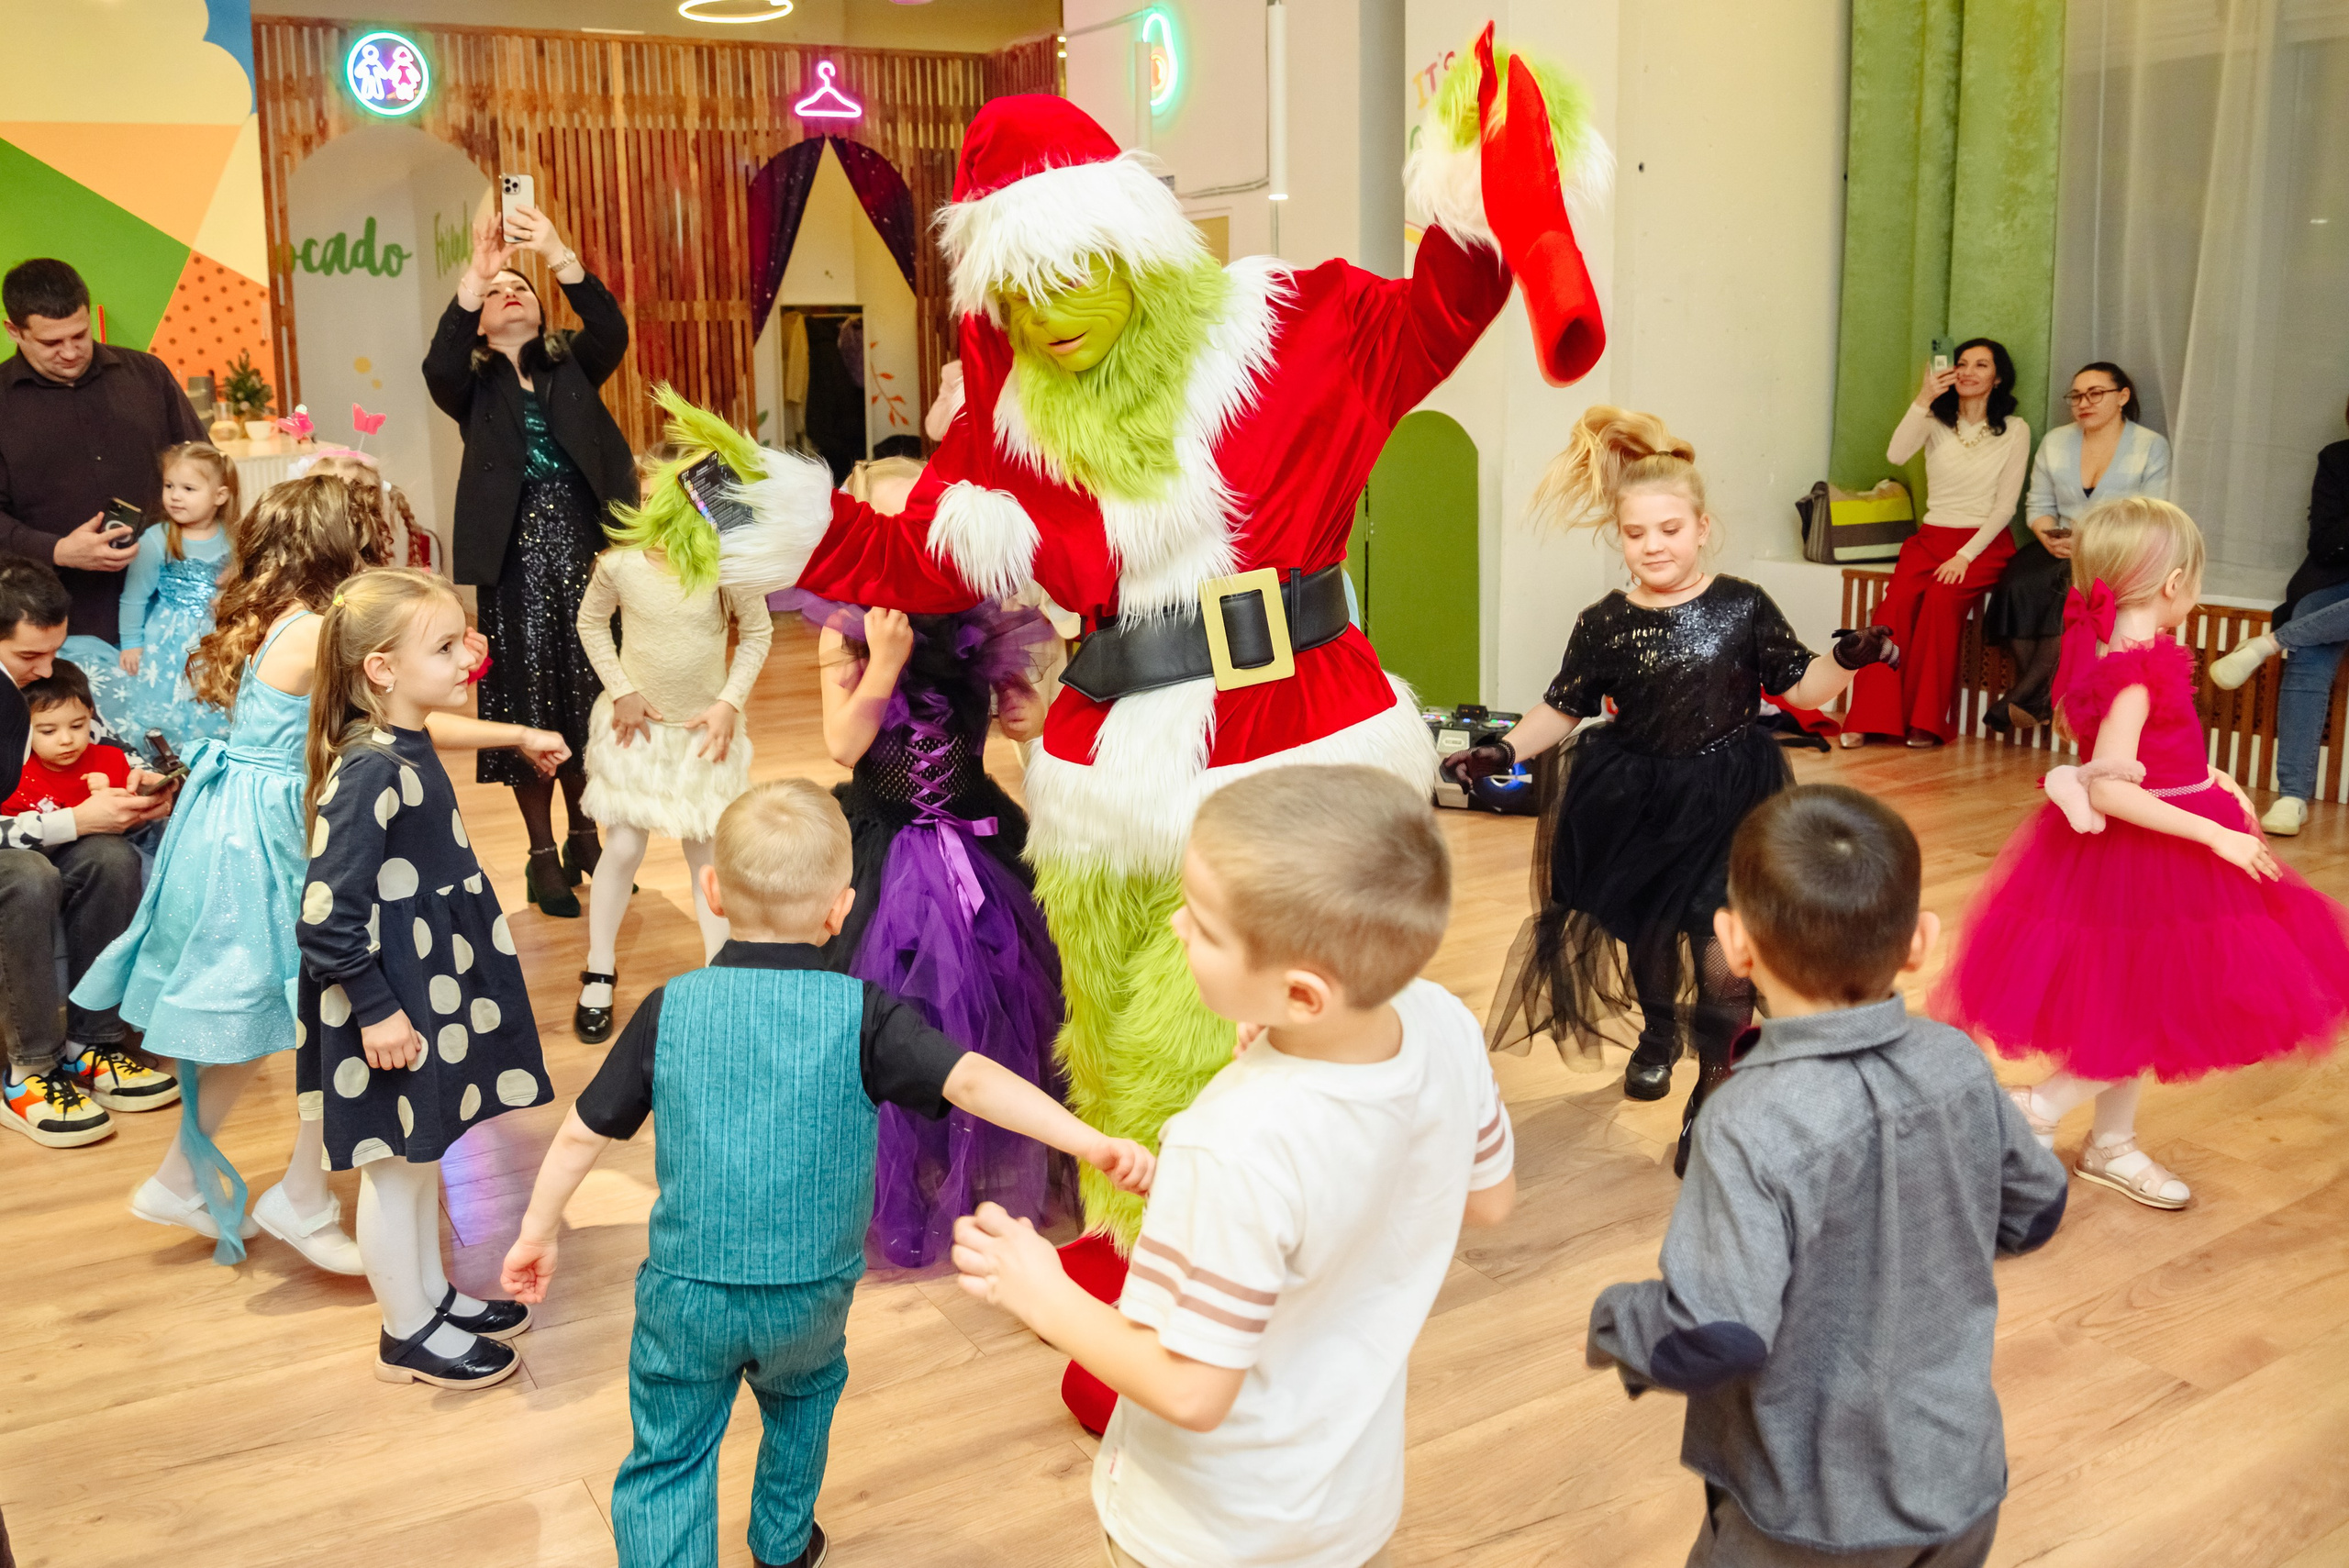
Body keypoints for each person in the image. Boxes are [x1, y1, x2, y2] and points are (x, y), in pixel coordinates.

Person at [667, 56, 1607, 1420]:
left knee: (1271, 1028)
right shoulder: (1005, 437)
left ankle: (1252, 1279)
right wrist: (762, 513)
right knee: (1118, 1037)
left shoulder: (1293, 325)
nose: (1052, 319)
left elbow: (1452, 300)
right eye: (1019, 292)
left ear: (1131, 241)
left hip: (1299, 744)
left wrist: (1477, 163)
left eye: (1074, 275)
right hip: (1111, 767)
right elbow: (902, 550)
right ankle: (1142, 1270)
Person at [496, 778, 1154, 1568]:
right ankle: (780, 1544)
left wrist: (538, 1232)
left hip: (688, 1290)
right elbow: (974, 1078)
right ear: (841, 908)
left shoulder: (671, 1006)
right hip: (809, 1290)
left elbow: (578, 1135)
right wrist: (1083, 1138)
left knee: (669, 1449)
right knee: (802, 1402)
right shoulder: (865, 1013)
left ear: (712, 888)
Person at [952, 764, 1517, 1567]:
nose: (1178, 926)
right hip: (1346, 1502)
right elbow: (1490, 1198)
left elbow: (1190, 1389)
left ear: (1304, 996)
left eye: (1206, 924)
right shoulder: (1446, 1022)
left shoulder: (1232, 1142)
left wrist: (1042, 1292)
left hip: (1207, 1529)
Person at [76, 476, 567, 1266]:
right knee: (324, 1011)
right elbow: (408, 716)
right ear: (347, 549)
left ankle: (226, 1182)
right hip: (267, 836)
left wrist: (505, 725)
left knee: (277, 1017)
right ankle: (281, 1194)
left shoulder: (279, 620)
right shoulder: (317, 632)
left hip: (235, 821)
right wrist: (508, 723)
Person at [1587, 784, 2069, 1568]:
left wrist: (1618, 1322)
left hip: (1804, 1521)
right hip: (1962, 1484)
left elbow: (1717, 1332)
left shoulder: (1747, 1120)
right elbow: (2036, 1209)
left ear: (1733, 948)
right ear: (1919, 941)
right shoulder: (1957, 1062)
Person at [1447, 408, 1896, 1155]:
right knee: (1651, 936)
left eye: (1669, 530)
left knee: (1723, 955)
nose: (1653, 545)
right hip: (1639, 798)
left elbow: (1807, 690)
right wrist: (1503, 749)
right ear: (1617, 536)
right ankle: (1658, 1030)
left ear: (1702, 527)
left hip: (1733, 798)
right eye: (1635, 533)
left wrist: (1846, 658)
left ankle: (1714, 1087)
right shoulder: (1604, 621)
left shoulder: (1744, 604)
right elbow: (1564, 706)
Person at [1935, 497, 2349, 1210]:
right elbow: (2113, 789)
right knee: (2157, 1008)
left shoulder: (2126, 653)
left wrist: (2214, 778)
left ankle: (2112, 1142)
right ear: (2175, 582)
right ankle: (2036, 1104)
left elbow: (2156, 755)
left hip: (2163, 831)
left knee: (2132, 998)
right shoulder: (2134, 665)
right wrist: (2215, 832)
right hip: (2150, 850)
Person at [295, 568, 556, 1389]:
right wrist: (376, 1011)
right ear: (381, 668)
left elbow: (442, 725)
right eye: (443, 647)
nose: (464, 659)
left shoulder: (402, 734)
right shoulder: (368, 767)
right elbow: (323, 916)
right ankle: (404, 1332)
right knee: (392, 1165)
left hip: (422, 979)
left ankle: (430, 1297)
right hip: (387, 997)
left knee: (420, 1159)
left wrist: (507, 726)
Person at [797, 584, 1060, 1270]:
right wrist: (883, 664)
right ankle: (901, 1191)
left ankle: (966, 1164)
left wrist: (1022, 707)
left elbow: (1022, 722)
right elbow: (842, 742)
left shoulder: (982, 629)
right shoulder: (845, 635)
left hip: (974, 844)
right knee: (890, 1008)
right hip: (883, 847)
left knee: (989, 1005)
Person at [423, 201, 636, 917]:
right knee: (527, 699)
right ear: (482, 320)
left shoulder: (572, 359)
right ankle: (541, 854)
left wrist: (555, 249)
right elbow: (438, 362)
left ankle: (586, 833)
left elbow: (612, 327)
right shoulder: (470, 384)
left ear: (543, 314)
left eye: (522, 287)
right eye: (497, 293)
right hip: (511, 559)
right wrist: (473, 275)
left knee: (586, 694)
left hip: (583, 543)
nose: (510, 292)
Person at [571, 448, 774, 1040]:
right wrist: (623, 689)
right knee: (624, 847)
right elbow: (591, 624)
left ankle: (717, 977)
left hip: (701, 733)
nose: (659, 506)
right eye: (649, 493)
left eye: (675, 495)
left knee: (705, 856)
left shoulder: (724, 565)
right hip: (636, 729)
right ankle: (599, 969)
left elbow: (757, 633)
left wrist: (728, 702)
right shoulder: (620, 564)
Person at [0, 556, 176, 1149]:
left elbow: (108, 751)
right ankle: (31, 1069)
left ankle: (93, 1044)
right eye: (30, 658)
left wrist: (140, 788)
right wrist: (73, 819)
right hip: (11, 852)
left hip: (37, 830)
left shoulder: (44, 682)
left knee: (110, 856)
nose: (48, 670)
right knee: (27, 876)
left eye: (55, 652)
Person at [0, 258, 206, 648]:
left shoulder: (147, 375)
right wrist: (58, 550)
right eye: (51, 342)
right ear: (14, 331)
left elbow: (204, 467)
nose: (70, 351)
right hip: (55, 619)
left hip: (171, 606)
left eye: (80, 334)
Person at [1842, 338, 2032, 749]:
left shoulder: (2015, 430)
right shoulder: (1933, 420)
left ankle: (1925, 722)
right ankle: (1869, 717)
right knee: (1891, 611)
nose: (1967, 371)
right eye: (1961, 363)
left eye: (1981, 365)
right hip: (1930, 539)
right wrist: (1924, 398)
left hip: (1983, 544)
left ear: (1997, 378)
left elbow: (2005, 508)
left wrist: (1964, 556)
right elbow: (1895, 454)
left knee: (1941, 603)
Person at [1983, 362, 2169, 734]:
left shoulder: (2150, 445)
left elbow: (2152, 513)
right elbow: (2038, 506)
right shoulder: (2055, 441)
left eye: (2096, 393)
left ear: (2122, 397)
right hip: (2062, 543)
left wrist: (2090, 541)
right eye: (2077, 396)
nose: (2084, 402)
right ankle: (2039, 696)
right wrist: (2049, 536)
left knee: (2066, 592)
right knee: (2016, 584)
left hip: (2117, 547)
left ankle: (2026, 697)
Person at [2205, 399, 2349, 836]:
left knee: (2303, 637)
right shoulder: (2338, 458)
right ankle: (2292, 797)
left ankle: (2270, 644)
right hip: (2333, 581)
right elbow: (2326, 541)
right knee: (2312, 643)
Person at [86, 441, 242, 748]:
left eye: (188, 488)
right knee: (171, 702)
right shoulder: (158, 539)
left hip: (217, 639)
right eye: (169, 485)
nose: (174, 496)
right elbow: (134, 597)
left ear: (220, 496)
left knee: (212, 698)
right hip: (168, 640)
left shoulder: (234, 538)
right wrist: (131, 643)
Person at [0, 663, 143, 817]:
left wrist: (112, 798)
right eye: (48, 731)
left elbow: (139, 821)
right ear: (23, 727)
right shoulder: (13, 778)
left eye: (77, 726)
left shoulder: (113, 760)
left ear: (90, 715)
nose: (66, 740)